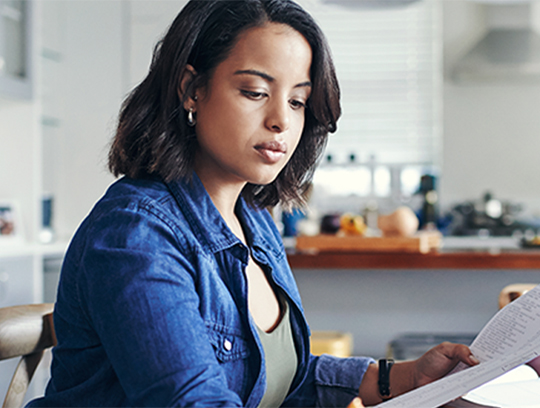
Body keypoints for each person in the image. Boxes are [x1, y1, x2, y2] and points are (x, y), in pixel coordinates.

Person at [28, 1, 479, 407]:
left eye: (298, 100)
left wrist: (404, 378)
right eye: (254, 92)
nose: (282, 119)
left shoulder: (254, 222)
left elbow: (284, 380)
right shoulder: (136, 235)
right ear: (192, 89)